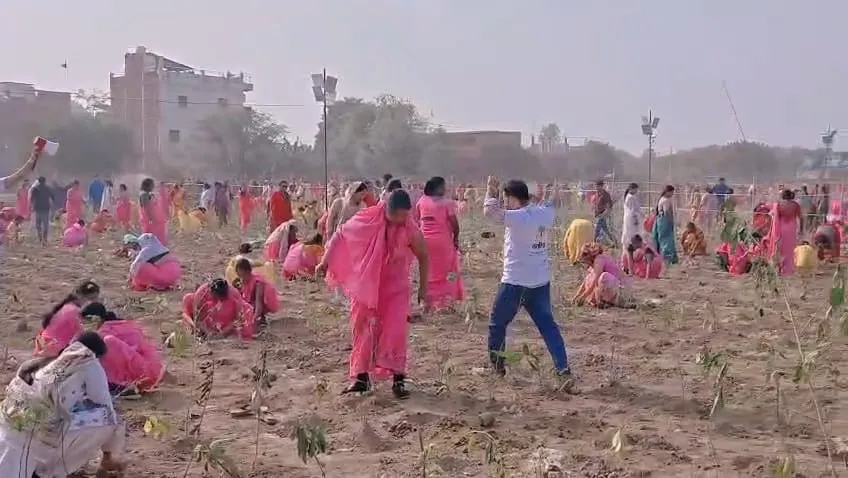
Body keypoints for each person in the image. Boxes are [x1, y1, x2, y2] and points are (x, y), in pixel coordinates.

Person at [316, 190, 429, 398]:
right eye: (396, 217)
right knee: (363, 328)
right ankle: (361, 378)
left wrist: (423, 288)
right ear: (387, 209)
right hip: (367, 285)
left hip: (396, 289)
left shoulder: (409, 227)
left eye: (405, 217)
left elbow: (423, 255)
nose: (400, 221)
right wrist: (325, 262)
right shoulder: (368, 218)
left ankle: (398, 380)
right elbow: (341, 235)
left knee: (395, 331)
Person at [0, 332, 126, 477]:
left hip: (9, 419)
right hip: (33, 430)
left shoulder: (49, 359)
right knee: (112, 419)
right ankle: (57, 469)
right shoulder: (89, 363)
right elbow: (103, 401)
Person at [482, 177, 570, 377]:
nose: (505, 203)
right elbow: (552, 203)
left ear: (512, 198)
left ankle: (497, 369)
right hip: (540, 282)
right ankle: (563, 369)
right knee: (548, 327)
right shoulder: (543, 214)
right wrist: (550, 193)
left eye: (505, 199)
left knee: (497, 324)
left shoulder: (518, 217)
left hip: (515, 282)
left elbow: (490, 212)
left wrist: (490, 190)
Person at [81, 302, 165, 394]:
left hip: (142, 372)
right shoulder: (124, 324)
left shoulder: (105, 333)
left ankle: (120, 383)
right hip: (151, 369)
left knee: (107, 345)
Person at [414, 176, 465, 309]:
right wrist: (455, 238)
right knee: (447, 270)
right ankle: (444, 300)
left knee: (427, 271)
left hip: (424, 242)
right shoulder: (447, 203)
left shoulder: (422, 201)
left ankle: (427, 300)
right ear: (438, 188)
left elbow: (417, 220)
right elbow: (454, 223)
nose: (445, 188)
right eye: (443, 186)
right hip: (442, 242)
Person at [34, 281, 101, 357]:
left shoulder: (67, 306)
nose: (94, 302)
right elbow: (84, 337)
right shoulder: (75, 312)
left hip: (42, 343)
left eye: (95, 299)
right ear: (79, 296)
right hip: (51, 348)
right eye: (91, 298)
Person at [182, 278, 256, 339]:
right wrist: (208, 332)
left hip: (227, 320)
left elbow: (239, 320)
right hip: (208, 321)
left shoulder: (234, 295)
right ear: (211, 292)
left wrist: (223, 332)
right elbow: (198, 319)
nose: (218, 300)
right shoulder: (201, 295)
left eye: (221, 298)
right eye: (217, 297)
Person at [572, 243, 631, 308]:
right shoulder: (593, 265)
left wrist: (583, 296)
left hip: (621, 289)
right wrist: (577, 296)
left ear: (589, 256)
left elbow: (595, 280)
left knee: (603, 277)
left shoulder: (599, 260)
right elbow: (585, 282)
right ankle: (602, 300)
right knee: (589, 277)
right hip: (615, 287)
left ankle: (609, 301)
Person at [235, 257, 280, 325]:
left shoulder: (258, 283)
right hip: (252, 307)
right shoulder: (243, 282)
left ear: (246, 271)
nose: (238, 275)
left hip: (259, 307)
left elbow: (259, 303)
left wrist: (253, 321)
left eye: (240, 273)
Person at [768, 189, 802, 275]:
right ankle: (788, 269)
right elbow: (801, 218)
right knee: (790, 249)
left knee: (780, 248)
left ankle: (779, 267)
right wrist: (801, 229)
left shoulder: (778, 205)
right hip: (792, 228)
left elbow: (774, 218)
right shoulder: (796, 205)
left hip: (781, 229)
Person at [652, 185, 679, 264]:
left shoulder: (661, 199)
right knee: (667, 240)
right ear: (667, 192)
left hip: (660, 221)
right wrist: (671, 221)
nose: (672, 194)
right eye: (671, 192)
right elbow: (667, 212)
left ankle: (662, 256)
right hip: (665, 221)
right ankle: (667, 257)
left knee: (661, 239)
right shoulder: (666, 200)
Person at [139, 177, 168, 246]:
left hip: (154, 219)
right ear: (148, 185)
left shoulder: (147, 194)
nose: (153, 186)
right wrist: (151, 219)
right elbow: (146, 208)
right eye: (152, 185)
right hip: (150, 220)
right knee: (151, 236)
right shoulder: (144, 195)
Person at [29, 176, 55, 245]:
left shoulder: (35, 188)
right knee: (45, 225)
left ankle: (40, 238)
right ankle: (45, 239)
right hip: (46, 208)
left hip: (38, 208)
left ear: (38, 181)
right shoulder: (48, 188)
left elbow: (32, 199)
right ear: (45, 181)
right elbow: (53, 197)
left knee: (38, 225)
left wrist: (31, 206)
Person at [592, 180, 615, 246]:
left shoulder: (605, 195)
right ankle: (614, 242)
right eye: (596, 186)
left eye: (598, 186)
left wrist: (604, 215)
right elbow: (596, 205)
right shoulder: (597, 194)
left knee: (597, 230)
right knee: (606, 231)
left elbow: (608, 207)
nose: (596, 188)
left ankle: (593, 243)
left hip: (603, 216)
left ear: (601, 186)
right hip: (598, 215)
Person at [620, 183, 641, 249]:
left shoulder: (629, 197)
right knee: (631, 232)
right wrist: (635, 219)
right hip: (631, 218)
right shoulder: (631, 198)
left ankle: (628, 245)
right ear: (632, 189)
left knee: (628, 231)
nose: (637, 191)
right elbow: (633, 210)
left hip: (628, 217)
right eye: (636, 189)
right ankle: (630, 246)